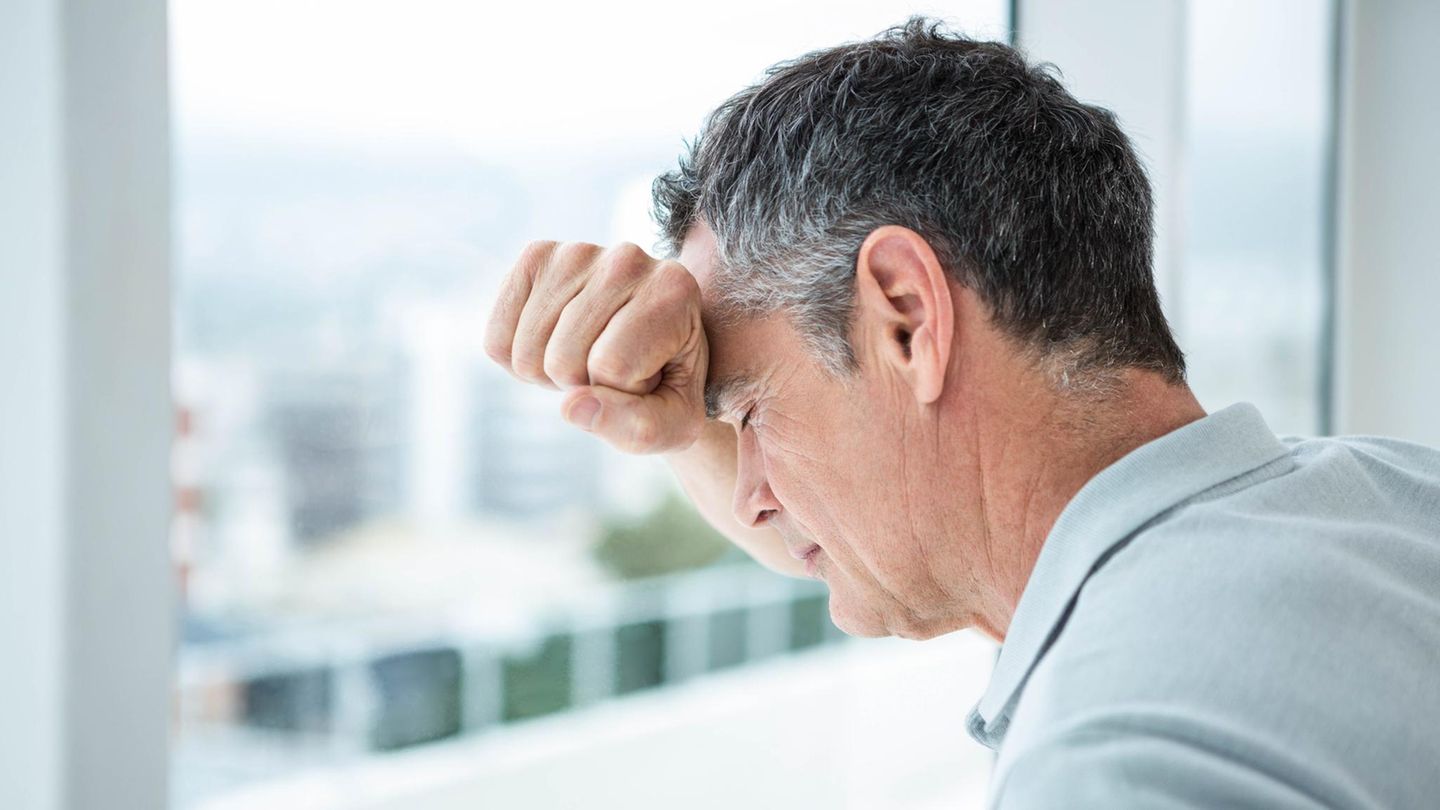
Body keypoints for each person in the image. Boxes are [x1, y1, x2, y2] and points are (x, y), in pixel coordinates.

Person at [484, 16, 1440, 809]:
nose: (751, 500)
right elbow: (862, 524)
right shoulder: (1391, 503)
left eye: (751, 413)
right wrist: (696, 423)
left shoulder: (1122, 756)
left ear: (907, 319)